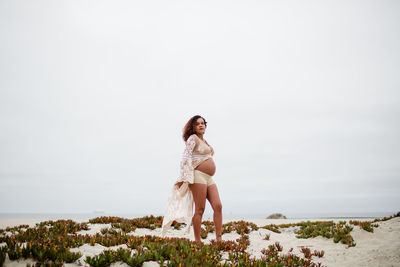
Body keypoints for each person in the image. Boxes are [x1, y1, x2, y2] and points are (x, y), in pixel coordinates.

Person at [162, 115, 223, 242]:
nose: (201, 125)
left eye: (203, 123)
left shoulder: (205, 141)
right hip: (198, 176)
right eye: (197, 124)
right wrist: (185, 177)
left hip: (209, 178)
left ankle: (219, 239)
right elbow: (185, 157)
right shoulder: (193, 138)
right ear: (193, 127)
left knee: (218, 206)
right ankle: (197, 240)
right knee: (200, 209)